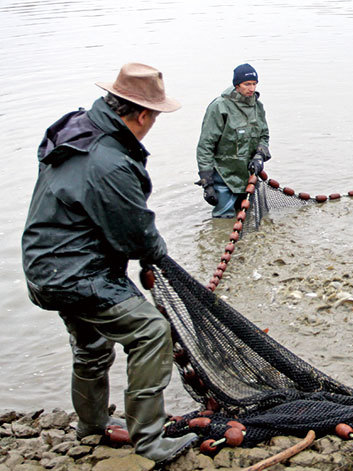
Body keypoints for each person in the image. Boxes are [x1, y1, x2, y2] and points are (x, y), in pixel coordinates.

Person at [21, 63, 197, 463]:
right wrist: (158, 255)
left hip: (42, 265)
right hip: (74, 273)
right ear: (141, 115)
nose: (153, 124)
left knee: (91, 347)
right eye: (155, 117)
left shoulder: (78, 127)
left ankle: (91, 426)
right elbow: (135, 233)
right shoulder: (110, 162)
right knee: (152, 332)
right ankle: (150, 441)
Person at [196, 63, 271, 218]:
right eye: (247, 84)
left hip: (249, 174)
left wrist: (260, 155)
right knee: (223, 218)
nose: (252, 89)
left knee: (250, 217)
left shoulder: (258, 106)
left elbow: (264, 135)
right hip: (224, 175)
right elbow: (205, 145)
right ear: (237, 85)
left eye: (254, 84)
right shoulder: (219, 107)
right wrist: (207, 182)